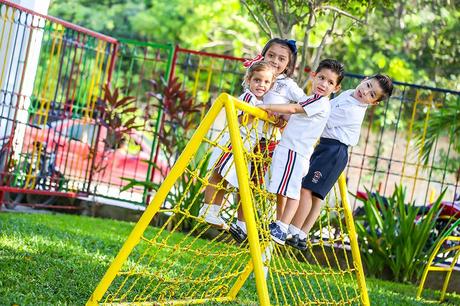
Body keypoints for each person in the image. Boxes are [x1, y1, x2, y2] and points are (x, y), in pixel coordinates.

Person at [286, 74, 394, 250]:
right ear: (364, 79)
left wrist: (296, 115)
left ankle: (294, 230)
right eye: (367, 85)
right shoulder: (350, 93)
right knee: (315, 196)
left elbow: (323, 118)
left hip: (334, 152)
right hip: (327, 148)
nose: (365, 91)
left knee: (307, 189)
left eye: (372, 94)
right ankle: (302, 235)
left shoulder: (353, 111)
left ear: (374, 103)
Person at [227, 38, 320, 242]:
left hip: (268, 141)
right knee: (239, 177)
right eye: (271, 56)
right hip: (248, 135)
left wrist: (285, 118)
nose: (275, 61)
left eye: (281, 58)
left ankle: (280, 223)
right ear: (263, 55)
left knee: (258, 182)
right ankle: (241, 223)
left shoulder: (287, 85)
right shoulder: (258, 74)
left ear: (289, 64)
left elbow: (305, 105)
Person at [259, 59, 345, 245]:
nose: (324, 84)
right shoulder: (311, 100)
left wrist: (266, 106)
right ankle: (281, 224)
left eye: (330, 82)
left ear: (336, 88)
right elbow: (294, 115)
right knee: (285, 189)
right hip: (292, 150)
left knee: (291, 192)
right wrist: (281, 116)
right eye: (321, 78)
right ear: (313, 76)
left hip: (295, 151)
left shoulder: (319, 101)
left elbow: (292, 108)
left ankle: (282, 227)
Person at [198, 61, 276, 229]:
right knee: (218, 175)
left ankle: (213, 212)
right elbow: (239, 120)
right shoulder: (248, 98)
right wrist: (259, 114)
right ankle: (206, 209)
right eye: (257, 80)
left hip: (245, 147)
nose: (261, 85)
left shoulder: (260, 102)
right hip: (234, 142)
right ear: (248, 80)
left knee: (225, 180)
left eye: (266, 82)